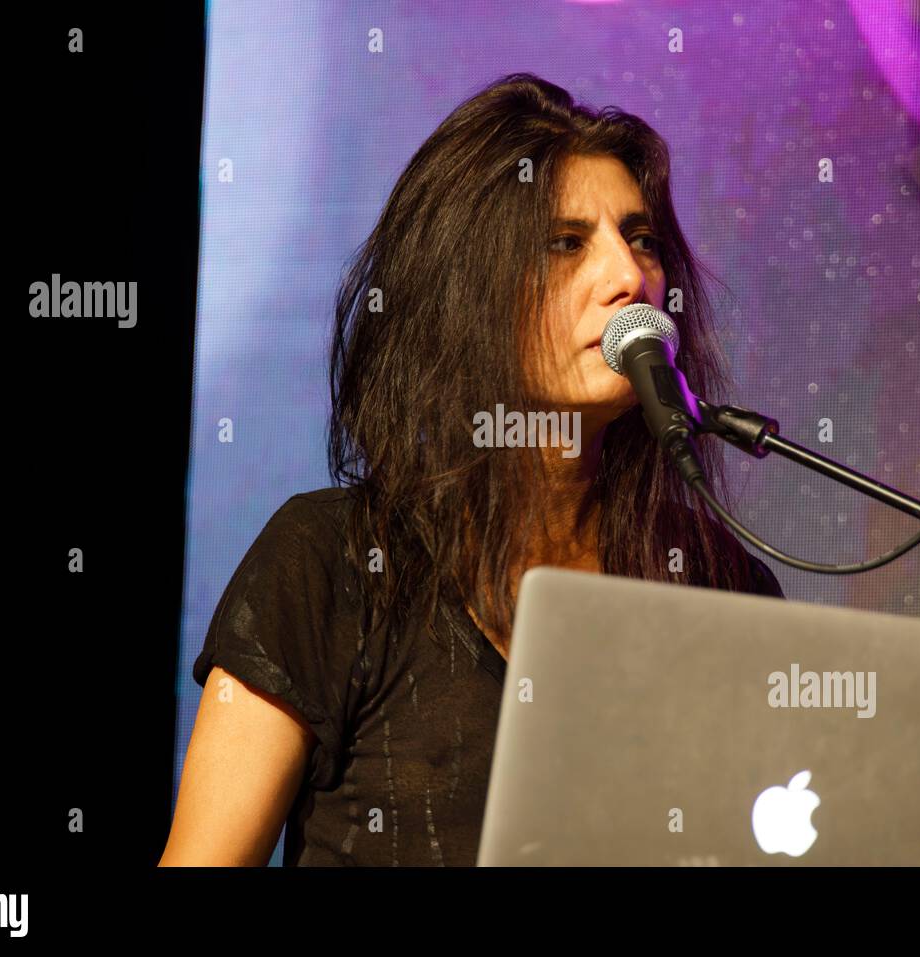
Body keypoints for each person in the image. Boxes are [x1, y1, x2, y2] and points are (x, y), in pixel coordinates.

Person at [158, 72, 784, 868]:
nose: (629, 277)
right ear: (469, 294)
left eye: (642, 237)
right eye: (566, 243)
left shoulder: (724, 590)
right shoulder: (330, 563)